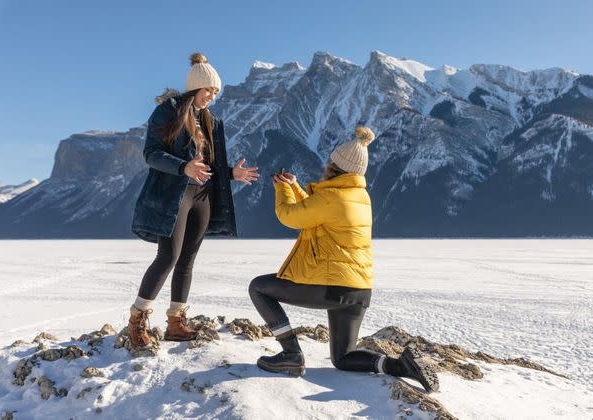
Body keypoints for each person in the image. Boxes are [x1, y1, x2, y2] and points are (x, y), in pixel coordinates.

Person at [248, 127, 439, 392]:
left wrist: (282, 189)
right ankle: (401, 366)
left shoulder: (332, 197)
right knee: (343, 358)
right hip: (358, 290)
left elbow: (291, 216)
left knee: (258, 287)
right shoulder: (359, 196)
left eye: (331, 162)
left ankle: (291, 354)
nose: (327, 165)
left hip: (332, 287)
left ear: (336, 167)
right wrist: (294, 186)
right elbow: (317, 213)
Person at [129, 52, 259, 348]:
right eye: (209, 90)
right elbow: (151, 154)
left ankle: (176, 322)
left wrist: (230, 173)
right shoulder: (168, 112)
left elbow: (208, 163)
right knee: (168, 256)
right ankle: (137, 320)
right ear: (195, 87)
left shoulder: (210, 120)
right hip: (174, 194)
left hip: (203, 195)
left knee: (187, 260)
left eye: (215, 92)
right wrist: (182, 166)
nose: (212, 97)